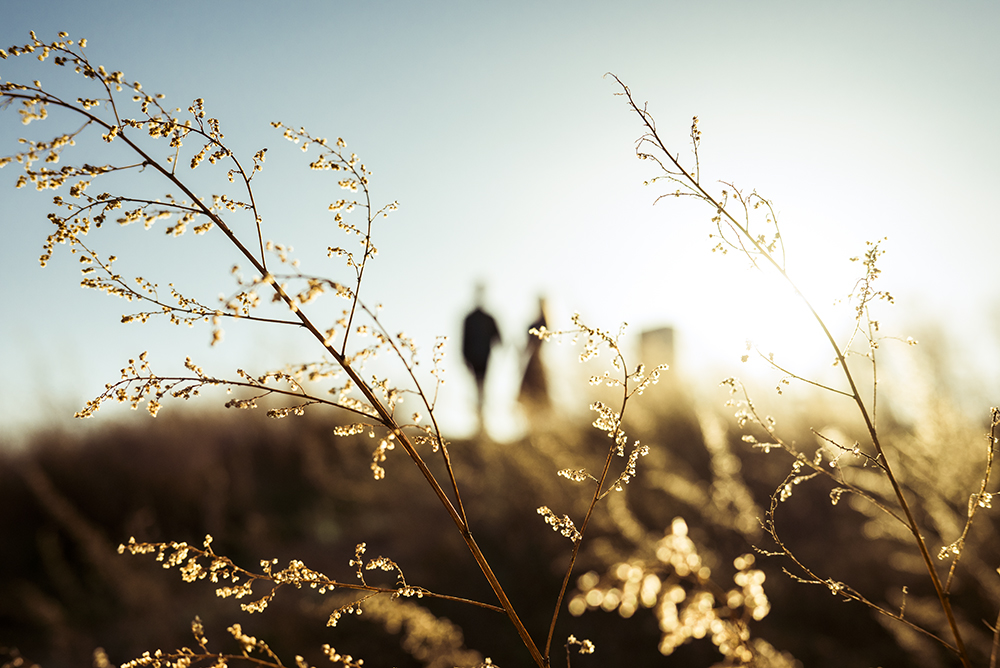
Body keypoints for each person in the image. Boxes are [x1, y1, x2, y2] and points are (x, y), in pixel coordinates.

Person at [462, 284, 501, 429]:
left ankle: (481, 423)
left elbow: (498, 338)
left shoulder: (486, 318)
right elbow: (464, 341)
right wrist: (465, 359)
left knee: (481, 390)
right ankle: (479, 423)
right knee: (478, 390)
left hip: (484, 360)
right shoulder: (471, 318)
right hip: (475, 361)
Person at [518, 296, 550, 411]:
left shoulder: (544, 322)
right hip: (533, 359)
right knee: (531, 389)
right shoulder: (542, 322)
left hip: (536, 360)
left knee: (536, 389)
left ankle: (538, 414)